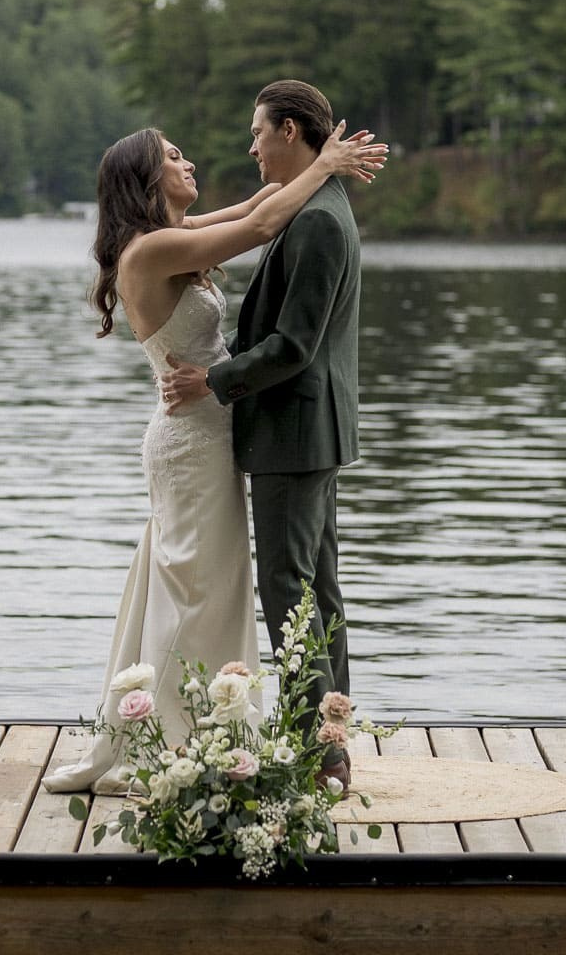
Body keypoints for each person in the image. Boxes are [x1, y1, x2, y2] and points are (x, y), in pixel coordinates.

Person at [41, 118, 385, 794]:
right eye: (174, 157)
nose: (189, 162)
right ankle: (175, 738)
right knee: (196, 594)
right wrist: (325, 165)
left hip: (208, 436)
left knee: (204, 590)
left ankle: (198, 728)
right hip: (190, 444)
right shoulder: (150, 251)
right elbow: (261, 227)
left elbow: (258, 206)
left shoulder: (175, 236)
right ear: (146, 180)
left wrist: (320, 162)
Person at [157, 80, 363, 792]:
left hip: (292, 432)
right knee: (318, 592)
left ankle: (317, 752)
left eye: (257, 133)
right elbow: (250, 219)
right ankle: (332, 739)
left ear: (290, 131)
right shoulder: (315, 205)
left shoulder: (319, 222)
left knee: (290, 591)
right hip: (309, 431)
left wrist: (212, 381)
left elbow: (293, 346)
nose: (251, 147)